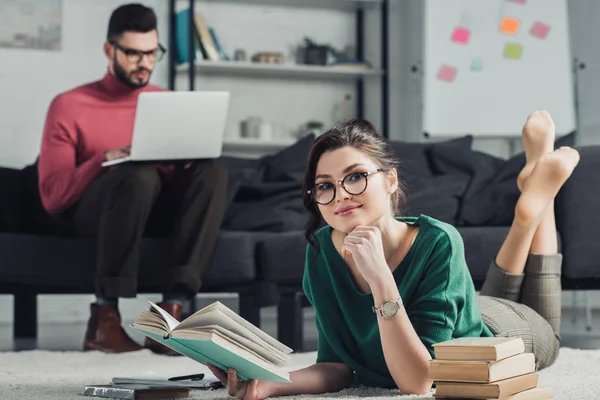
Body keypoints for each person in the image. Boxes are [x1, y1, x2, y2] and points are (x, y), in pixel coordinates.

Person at [207, 111, 580, 397]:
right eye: (324, 186)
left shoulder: (438, 240)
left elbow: (418, 381)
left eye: (355, 177)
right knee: (485, 296)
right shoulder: (321, 252)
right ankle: (531, 196)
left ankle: (534, 207)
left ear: (390, 180)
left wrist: (381, 278)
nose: (340, 196)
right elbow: (336, 366)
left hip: (499, 338)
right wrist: (269, 384)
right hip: (467, 310)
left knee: (548, 327)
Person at [37, 4, 228, 355]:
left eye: (152, 53)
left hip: (152, 207)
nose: (144, 62)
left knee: (213, 172)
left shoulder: (165, 102)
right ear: (110, 50)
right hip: (96, 211)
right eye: (133, 54)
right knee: (137, 174)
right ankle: (103, 318)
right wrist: (103, 159)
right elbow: (52, 197)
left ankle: (170, 314)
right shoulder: (69, 105)